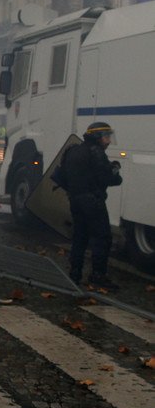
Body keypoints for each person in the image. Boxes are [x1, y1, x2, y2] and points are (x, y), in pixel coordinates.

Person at [61, 122, 122, 289]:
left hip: (75, 200)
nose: (109, 141)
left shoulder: (73, 150)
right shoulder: (96, 152)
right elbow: (107, 178)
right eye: (106, 137)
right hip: (93, 202)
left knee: (80, 237)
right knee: (102, 238)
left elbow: (63, 175)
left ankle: (75, 274)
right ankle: (98, 275)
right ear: (97, 137)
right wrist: (115, 171)